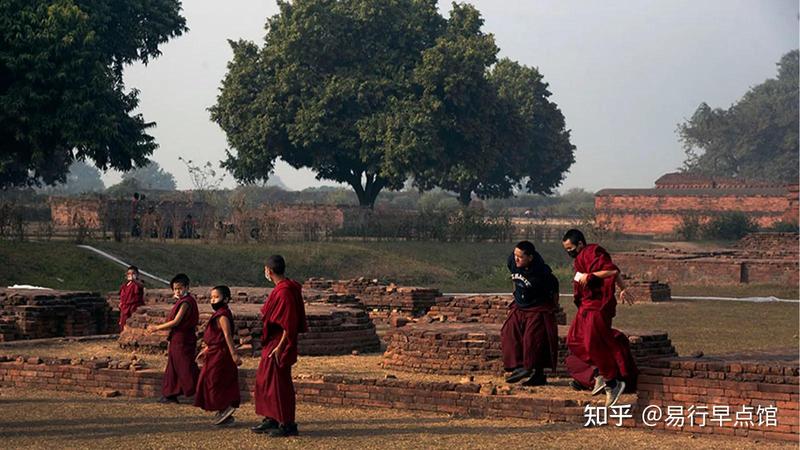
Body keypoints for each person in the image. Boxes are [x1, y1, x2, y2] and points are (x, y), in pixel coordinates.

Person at [562, 229, 638, 407]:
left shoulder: (592, 251)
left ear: (580, 244)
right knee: (574, 340)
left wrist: (593, 277)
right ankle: (600, 371)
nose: (569, 252)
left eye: (571, 248)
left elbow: (611, 270)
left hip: (598, 305)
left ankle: (612, 382)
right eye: (566, 249)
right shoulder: (579, 260)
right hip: (586, 305)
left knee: (592, 342)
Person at [251, 255, 308, 438]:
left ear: (269, 270)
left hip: (279, 343)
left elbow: (289, 324)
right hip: (272, 342)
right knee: (266, 381)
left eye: (265, 269)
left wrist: (281, 346)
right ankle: (272, 418)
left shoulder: (285, 292)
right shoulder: (281, 289)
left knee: (279, 384)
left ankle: (287, 423)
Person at [501, 241, 560, 386]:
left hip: (537, 306)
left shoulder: (542, 273)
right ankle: (519, 366)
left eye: (520, 257)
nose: (516, 259)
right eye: (515, 255)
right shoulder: (512, 261)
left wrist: (553, 307)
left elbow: (555, 288)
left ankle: (535, 373)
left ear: (530, 258)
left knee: (533, 339)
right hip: (520, 305)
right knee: (509, 331)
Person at [147, 273, 200, 404]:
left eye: (180, 288)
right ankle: (170, 394)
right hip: (177, 338)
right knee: (173, 366)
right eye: (175, 289)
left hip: (183, 338)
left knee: (184, 367)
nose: (177, 291)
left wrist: (157, 328)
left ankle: (201, 389)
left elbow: (176, 321)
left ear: (187, 287)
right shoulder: (182, 301)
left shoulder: (186, 302)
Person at [194, 285, 242, 426]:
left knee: (215, 380)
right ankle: (223, 409)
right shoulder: (219, 313)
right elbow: (216, 335)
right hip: (214, 352)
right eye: (212, 297)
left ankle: (225, 406)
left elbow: (227, 335)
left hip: (221, 354)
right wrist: (206, 349)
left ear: (225, 299)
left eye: (216, 297)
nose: (213, 300)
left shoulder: (223, 315)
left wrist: (234, 355)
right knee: (210, 380)